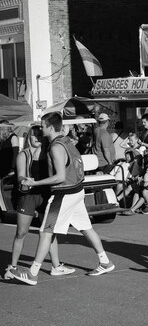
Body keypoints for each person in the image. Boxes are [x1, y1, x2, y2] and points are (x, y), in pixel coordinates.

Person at [10, 112, 115, 285]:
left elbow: (59, 177)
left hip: (64, 193)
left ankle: (32, 273)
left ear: (50, 127)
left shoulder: (56, 147)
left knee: (45, 232)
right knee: (86, 228)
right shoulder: (67, 141)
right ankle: (105, 261)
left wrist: (35, 183)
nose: (40, 129)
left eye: (43, 126)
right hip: (76, 191)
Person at [5, 126, 75, 280]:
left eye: (39, 135)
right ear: (28, 137)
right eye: (33, 135)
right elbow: (20, 176)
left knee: (50, 232)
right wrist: (24, 181)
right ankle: (12, 267)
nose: (37, 137)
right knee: (21, 233)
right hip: (28, 197)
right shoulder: (24, 154)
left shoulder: (49, 152)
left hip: (46, 196)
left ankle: (56, 266)